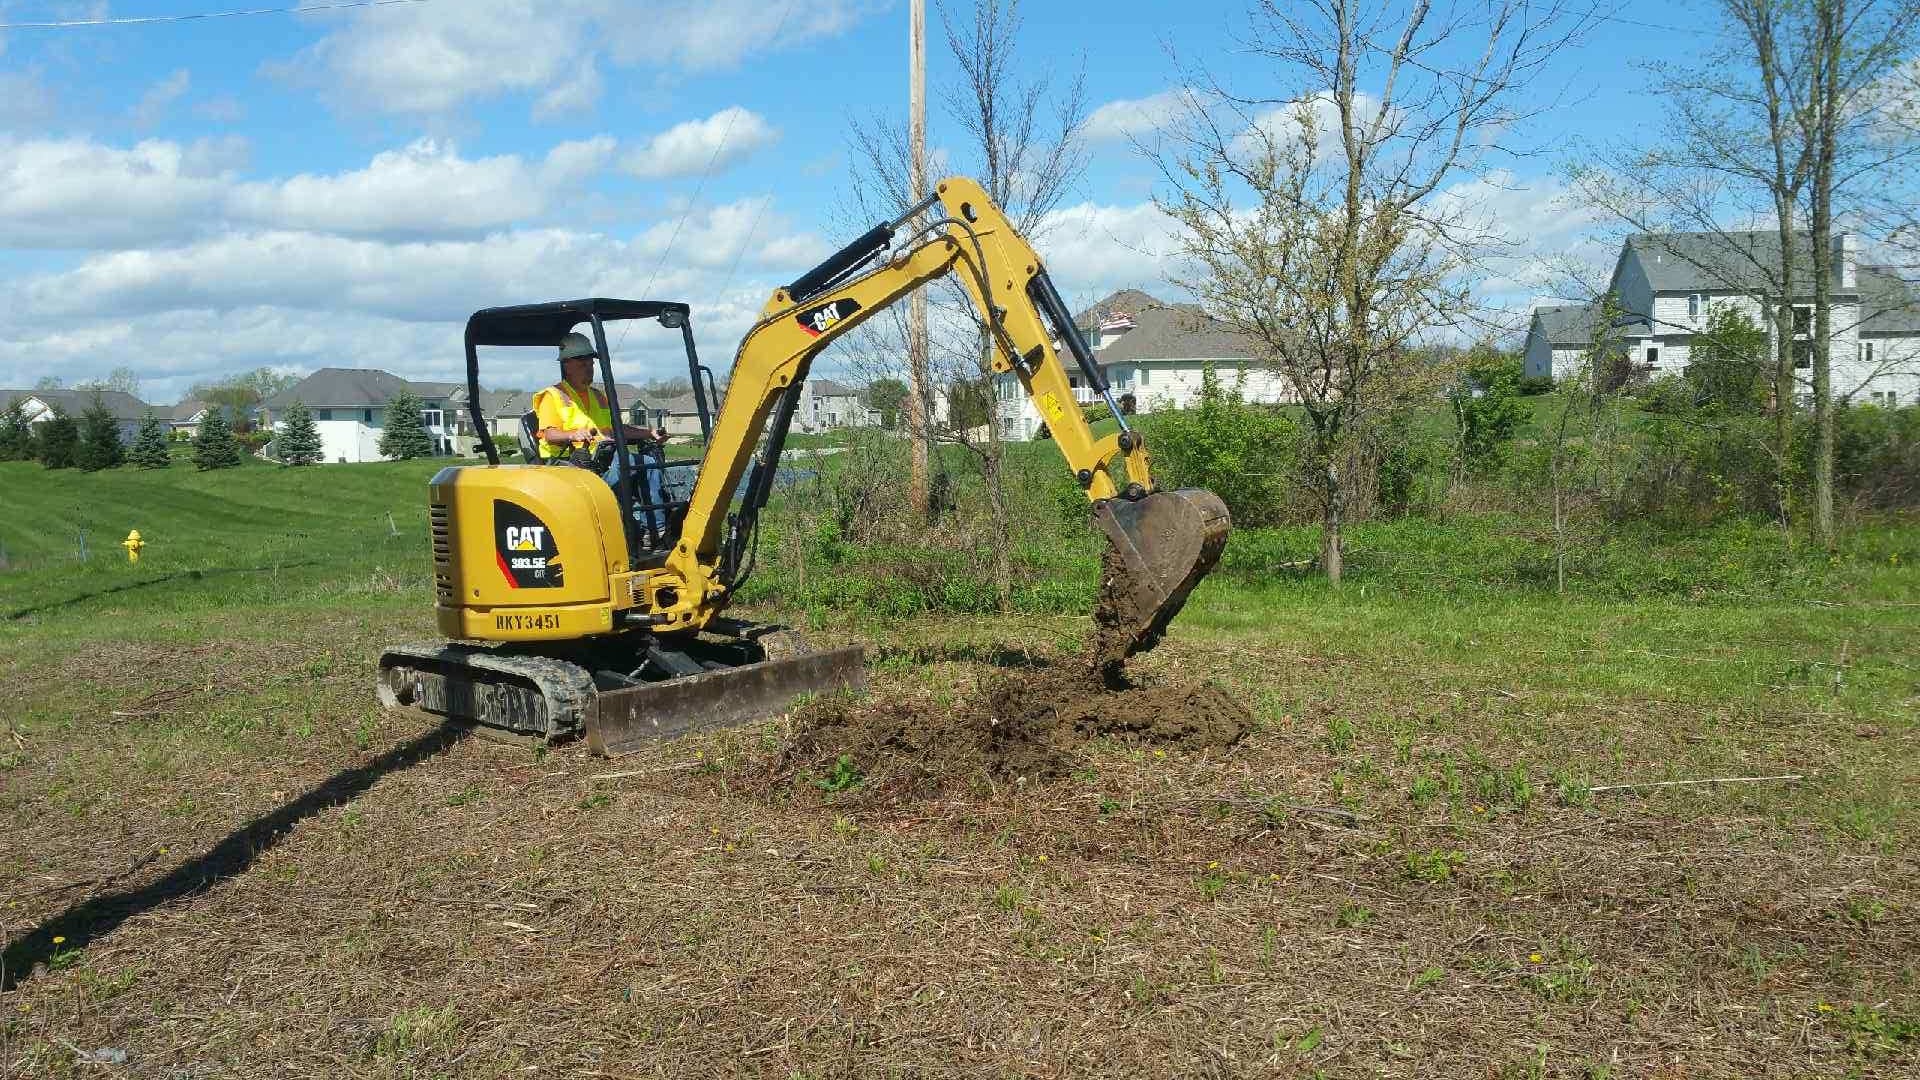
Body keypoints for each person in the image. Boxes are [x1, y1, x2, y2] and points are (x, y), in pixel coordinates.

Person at [533, 332, 673, 538]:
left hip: (601, 462)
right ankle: (615, 516)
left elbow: (616, 429)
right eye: (582, 364)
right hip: (566, 467)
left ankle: (654, 530)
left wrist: (648, 433)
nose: (588, 368)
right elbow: (550, 434)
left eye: (590, 363)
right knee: (622, 460)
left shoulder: (598, 396)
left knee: (647, 463)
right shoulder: (552, 396)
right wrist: (573, 434)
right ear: (567, 365)